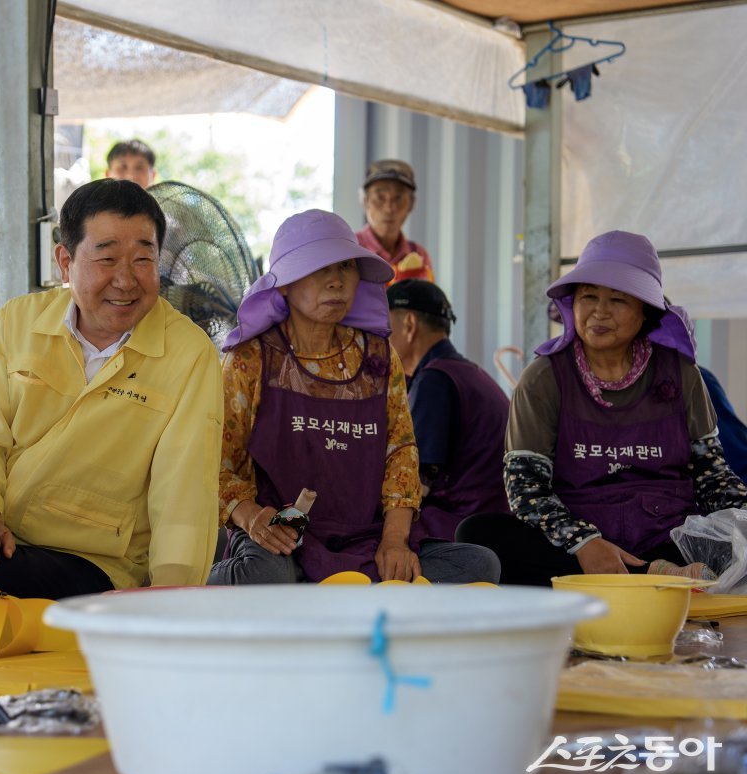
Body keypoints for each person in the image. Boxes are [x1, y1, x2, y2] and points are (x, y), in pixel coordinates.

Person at [0, 179, 223, 621]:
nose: (126, 280)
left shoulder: (189, 353)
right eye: (106, 259)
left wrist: (169, 598)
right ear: (65, 261)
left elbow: (185, 491)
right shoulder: (18, 321)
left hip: (93, 562)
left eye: (144, 259)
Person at [208, 210, 499, 585]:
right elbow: (217, 459)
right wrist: (251, 517)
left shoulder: (379, 355)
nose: (336, 282)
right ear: (283, 285)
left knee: (480, 564)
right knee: (263, 574)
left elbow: (401, 452)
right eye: (319, 268)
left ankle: (323, 601)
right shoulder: (250, 358)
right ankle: (208, 582)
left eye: (346, 266)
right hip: (282, 541)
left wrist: (395, 541)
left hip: (366, 538)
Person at [457, 231, 747, 585]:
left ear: (645, 312)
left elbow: (712, 476)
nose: (600, 311)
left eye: (618, 300)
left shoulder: (682, 374)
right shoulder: (544, 378)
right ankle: (652, 578)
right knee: (479, 534)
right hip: (578, 544)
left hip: (669, 539)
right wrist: (583, 541)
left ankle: (644, 575)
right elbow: (526, 487)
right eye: (588, 296)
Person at [387, 279, 510, 545]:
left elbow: (416, 485)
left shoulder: (435, 380)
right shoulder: (466, 372)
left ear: (409, 325)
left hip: (460, 525)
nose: (380, 341)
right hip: (492, 522)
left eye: (385, 329)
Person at [356, 159, 434, 285]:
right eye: (380, 198)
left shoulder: (419, 254)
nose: (389, 208)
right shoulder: (350, 249)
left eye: (398, 198)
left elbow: (428, 302)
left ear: (411, 204)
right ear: (365, 202)